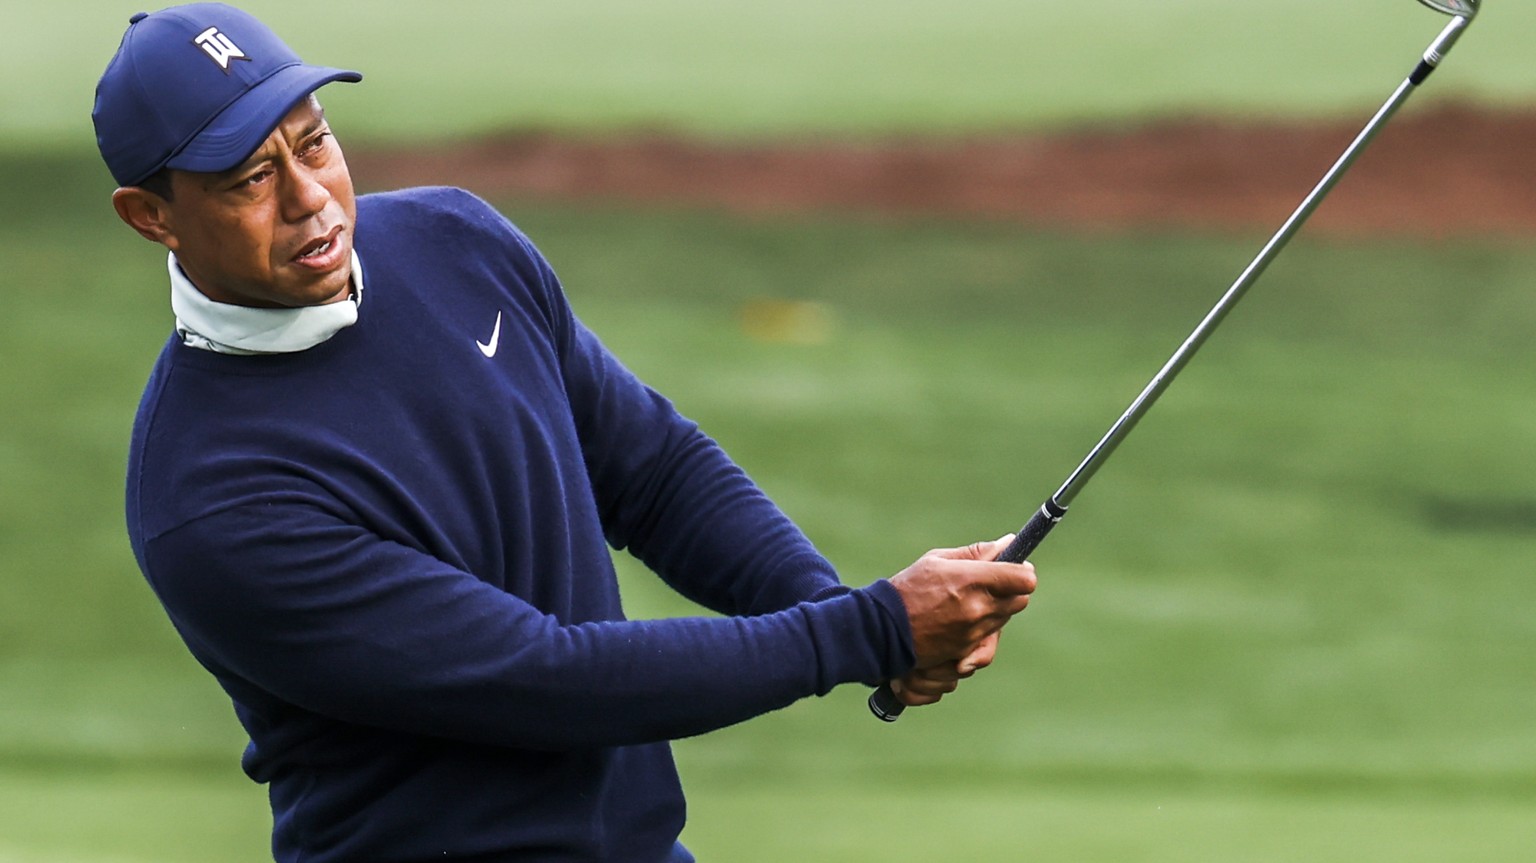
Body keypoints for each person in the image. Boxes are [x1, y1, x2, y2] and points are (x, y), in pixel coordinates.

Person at [95, 5, 1038, 861]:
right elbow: (546, 678)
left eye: (315, 143)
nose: (311, 197)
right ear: (153, 217)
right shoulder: (211, 496)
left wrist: (850, 615)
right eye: (252, 178)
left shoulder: (454, 241)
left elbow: (653, 471)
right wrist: (867, 627)